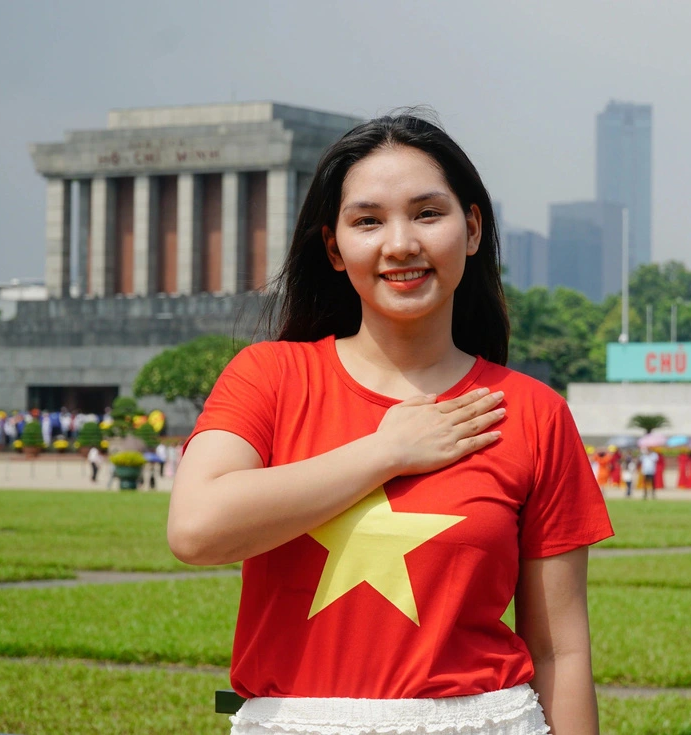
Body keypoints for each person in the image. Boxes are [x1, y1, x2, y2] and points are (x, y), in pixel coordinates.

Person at [168, 114, 613, 735]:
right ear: (333, 246)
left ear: (474, 228)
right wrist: (386, 452)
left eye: (428, 214)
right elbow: (196, 530)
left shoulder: (534, 412)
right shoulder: (268, 376)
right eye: (368, 221)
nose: (400, 243)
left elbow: (560, 650)